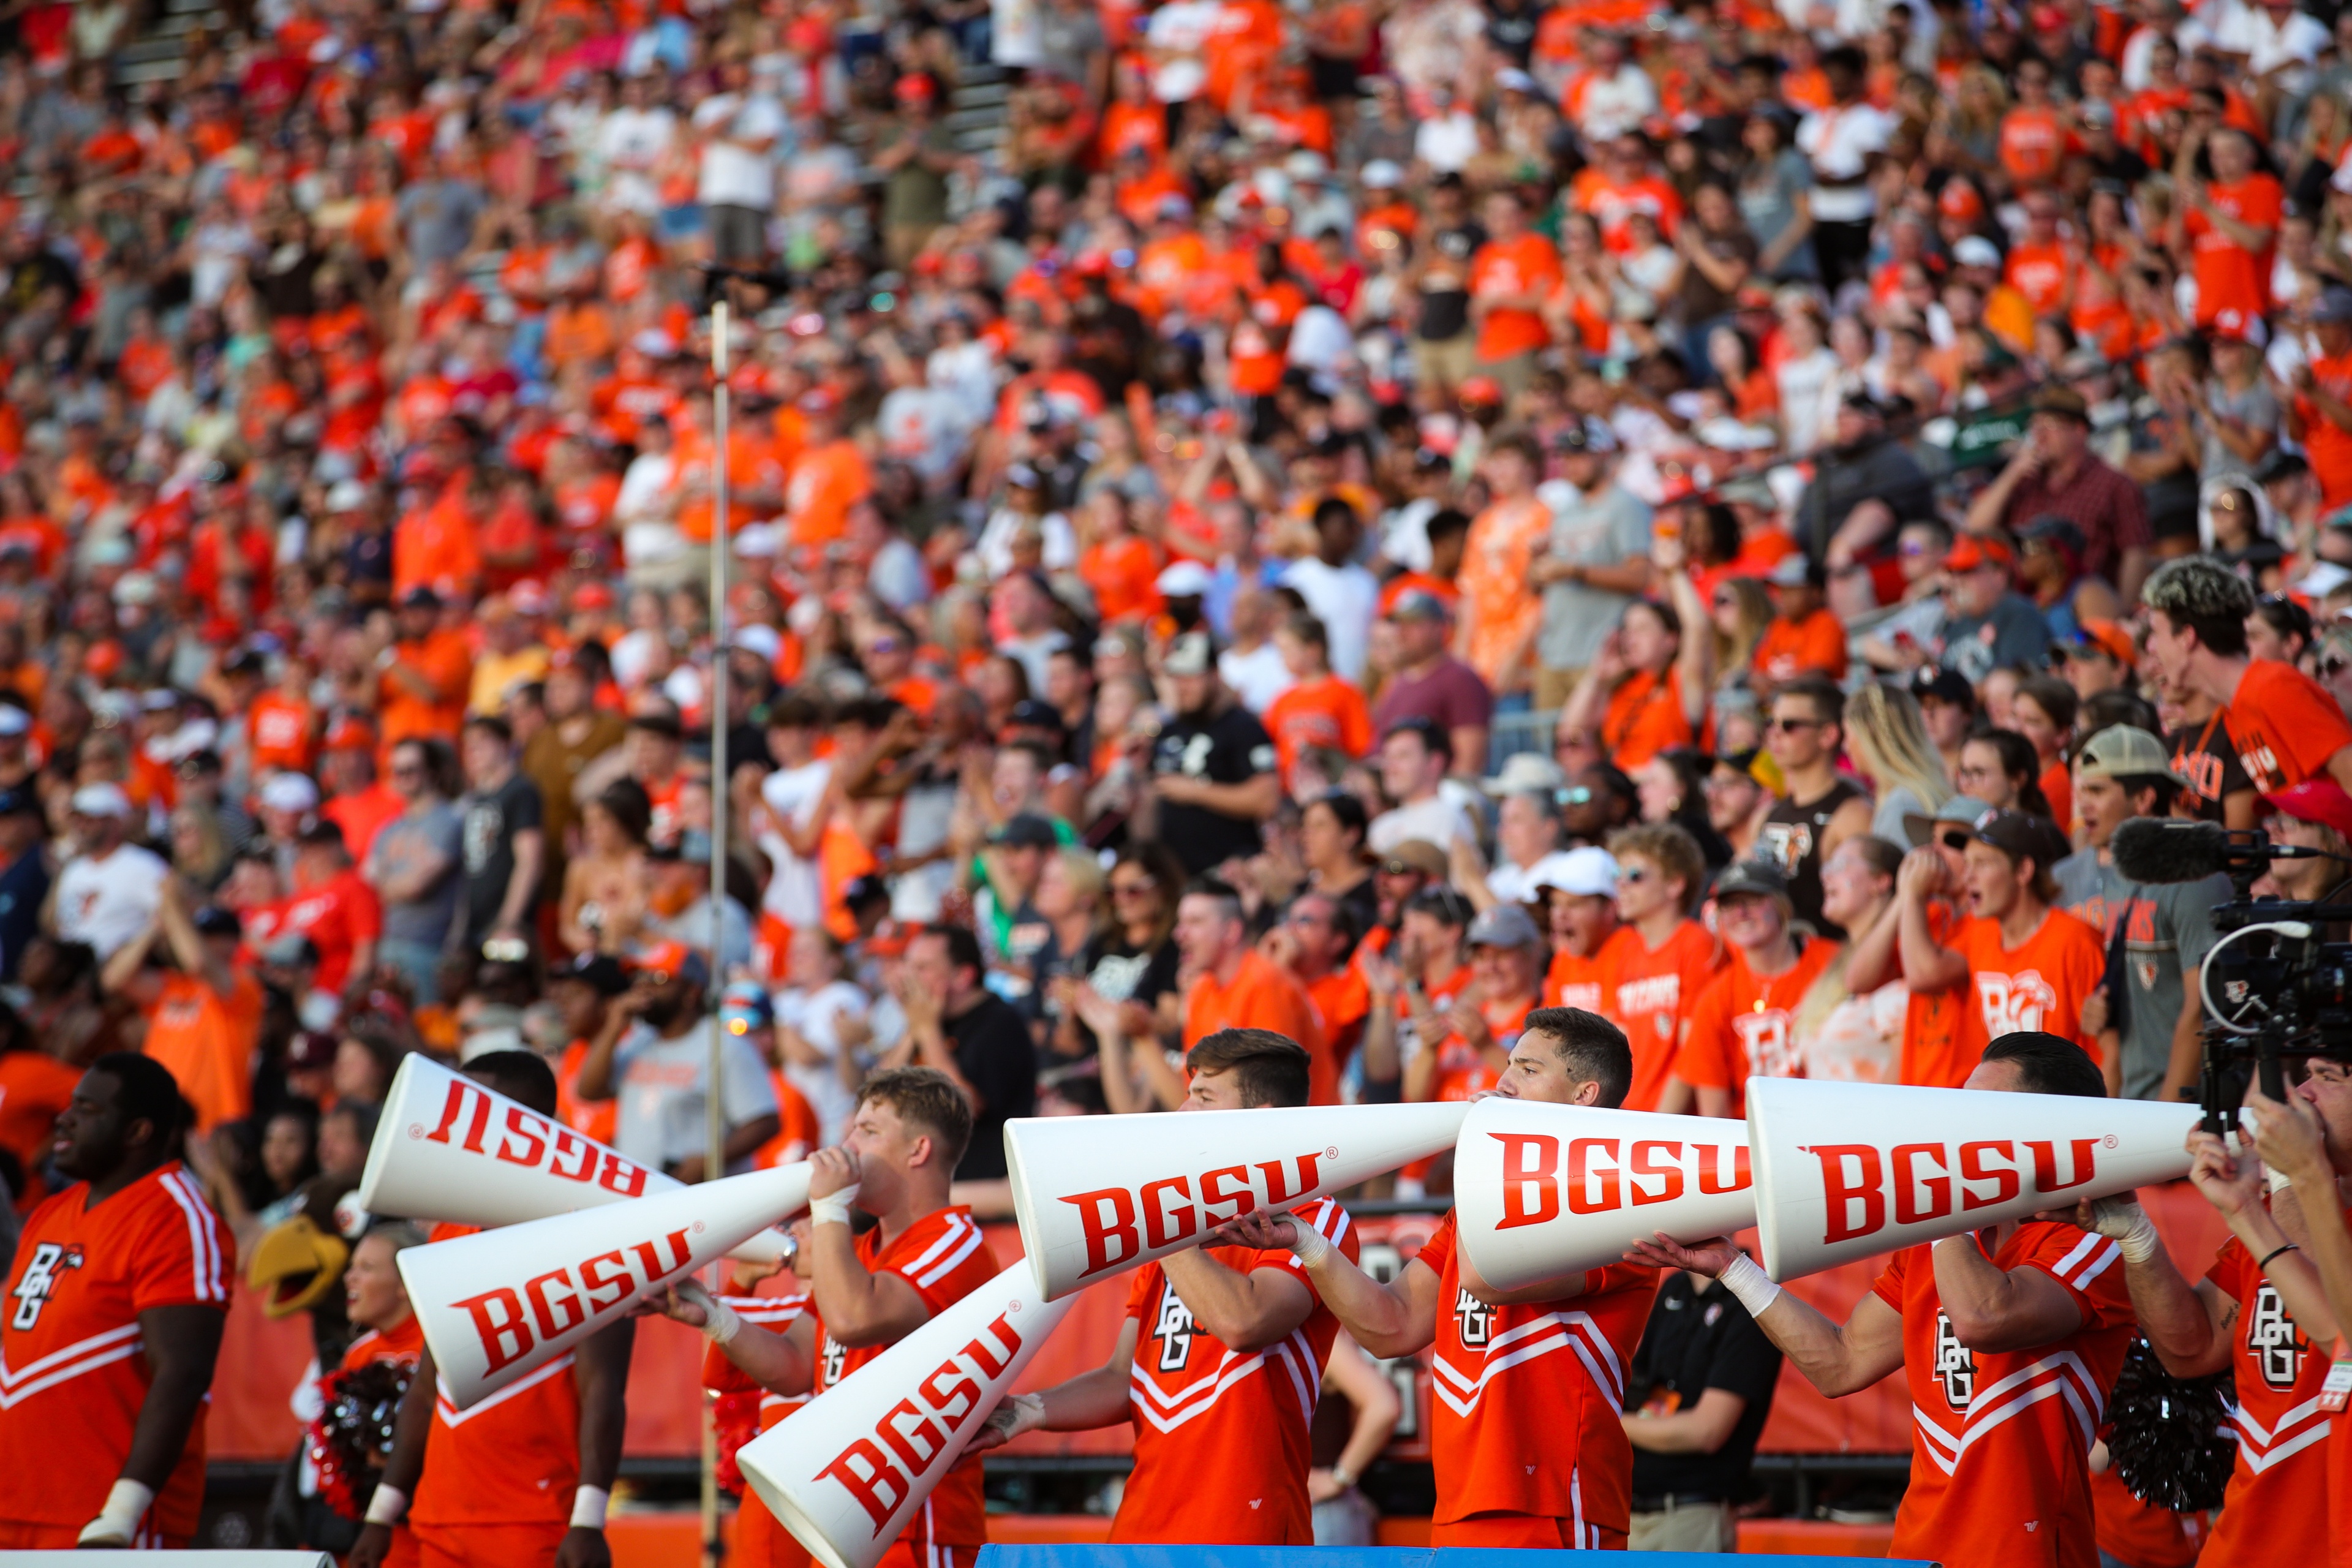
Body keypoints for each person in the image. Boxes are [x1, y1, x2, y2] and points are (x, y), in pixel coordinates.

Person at [1629, 1032, 2135, 1568]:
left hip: (2026, 1553)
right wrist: (1734, 1269)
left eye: (1984, 1110)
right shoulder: (1937, 1245)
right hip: (1919, 1550)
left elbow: (1984, 1317)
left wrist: (1946, 1200)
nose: (1962, 1126)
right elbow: (1840, 1364)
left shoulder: (2089, 1245)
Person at [1216, 1008, 1658, 1550]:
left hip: (1555, 1506)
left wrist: (1483, 1154)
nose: (1502, 1081)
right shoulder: (1471, 1213)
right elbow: (1390, 1327)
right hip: (1457, 1504)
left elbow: (1487, 1281)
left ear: (1584, 1096)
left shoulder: (1624, 1207)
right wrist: (1308, 1245)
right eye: (1509, 1063)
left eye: (1527, 1067)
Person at [972, 1030, 1362, 1544]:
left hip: (1247, 1532)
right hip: (1141, 1529)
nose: (1180, 1112)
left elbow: (1246, 1323)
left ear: (1261, 1117)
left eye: (1203, 1097)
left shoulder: (1315, 1217)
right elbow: (1124, 1378)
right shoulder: (1175, 1233)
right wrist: (1027, 1411)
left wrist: (1161, 1226)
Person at [647, 1068, 998, 1568]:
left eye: (869, 1132)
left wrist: (829, 1206)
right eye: (853, 1128)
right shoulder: (862, 1252)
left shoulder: (953, 1243)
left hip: (914, 1530)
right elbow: (794, 1366)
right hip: (846, 1525)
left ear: (919, 1151)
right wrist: (712, 1315)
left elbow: (855, 1318)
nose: (846, 1145)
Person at [2055, 1056, 2345, 1568]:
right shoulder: (2274, 1220)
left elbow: (2334, 1324)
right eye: (2305, 1075)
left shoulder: (2293, 1211)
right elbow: (2189, 1350)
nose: (2301, 1094)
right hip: (2240, 1546)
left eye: (2329, 1077)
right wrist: (2136, 1237)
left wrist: (2289, 1180)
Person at [352, 1052, 638, 1568]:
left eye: (474, 1109)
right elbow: (428, 1384)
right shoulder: (450, 1230)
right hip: (438, 1518)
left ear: (526, 1126)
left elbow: (604, 1388)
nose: (457, 1124)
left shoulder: (592, 1235)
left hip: (535, 1521)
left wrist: (589, 1521)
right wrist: (382, 1511)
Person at [0, 1054, 229, 1548]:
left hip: (100, 1518)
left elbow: (183, 1372)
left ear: (138, 1132)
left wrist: (122, 1511)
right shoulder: (49, 1213)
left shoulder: (175, 1215)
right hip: (16, 1503)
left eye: (87, 1109)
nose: (64, 1118)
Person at [2052, 726, 2228, 1101]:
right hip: (2137, 1101)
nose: (2084, 805)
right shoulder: (2124, 872)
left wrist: (2166, 1117)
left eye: (2097, 791)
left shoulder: (2195, 874)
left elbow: (2203, 1009)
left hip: (2190, 1110)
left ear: (2145, 798)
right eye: (2082, 791)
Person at [1899, 810, 2106, 1060]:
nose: (1968, 877)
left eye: (1982, 863)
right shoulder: (1978, 933)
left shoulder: (2075, 940)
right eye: (1968, 863)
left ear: (2023, 871)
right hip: (1997, 1094)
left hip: (2060, 1097)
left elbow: (2106, 1051)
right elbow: (1920, 973)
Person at [1619, 1243, 1784, 1553]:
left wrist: (1614, 1424)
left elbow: (1707, 1431)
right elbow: (1640, 1390)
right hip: (1633, 1510)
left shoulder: (1753, 1295)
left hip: (1691, 1515)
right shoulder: (1674, 1287)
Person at [2143, 556, 2352, 797]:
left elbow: (2347, 772)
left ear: (2187, 637)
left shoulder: (2273, 686)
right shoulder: (2236, 706)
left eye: (2156, 633)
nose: (2151, 647)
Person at [573, 942, 782, 1183]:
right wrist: (613, 1027)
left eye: (659, 979)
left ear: (691, 992)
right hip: (638, 1191)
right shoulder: (639, 1041)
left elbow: (765, 1121)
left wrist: (710, 1160)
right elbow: (588, 1091)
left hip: (696, 1196)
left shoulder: (725, 1046)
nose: (644, 987)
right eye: (639, 977)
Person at [1668, 860, 1838, 1117]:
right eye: (1729, 905)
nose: (1741, 912)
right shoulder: (1716, 997)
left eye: (1754, 900)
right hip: (1757, 1140)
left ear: (1781, 904)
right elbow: (1715, 1114)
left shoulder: (1833, 964)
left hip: (1830, 1122)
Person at [1964, 386, 2153, 606]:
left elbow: (2136, 554)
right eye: (2035, 426)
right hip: (2025, 604)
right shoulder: (2023, 481)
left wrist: (2123, 612)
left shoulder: (2116, 485)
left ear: (2079, 431)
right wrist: (2011, 473)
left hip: (2083, 603)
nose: (2039, 436)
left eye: (2050, 426)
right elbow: (1974, 531)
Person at [100, 883, 262, 1135]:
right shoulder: (173, 987)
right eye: (201, 936)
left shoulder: (243, 986)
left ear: (234, 943)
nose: (205, 943)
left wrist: (171, 904)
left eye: (214, 937)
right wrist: (156, 926)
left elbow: (197, 961)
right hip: (162, 1122)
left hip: (216, 1125)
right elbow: (114, 979)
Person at [888, 925, 1036, 1197]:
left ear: (962, 976)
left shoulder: (1000, 1023)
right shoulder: (929, 1019)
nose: (908, 977)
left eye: (922, 968)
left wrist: (928, 1032)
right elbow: (880, 1094)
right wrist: (914, 1029)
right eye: (907, 965)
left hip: (984, 1188)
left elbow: (965, 1104)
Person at [1597, 823, 1722, 1111]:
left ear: (1675, 884)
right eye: (1617, 875)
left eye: (1635, 876)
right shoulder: (1621, 948)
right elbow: (1611, 1045)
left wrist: (1659, 1124)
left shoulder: (1696, 943)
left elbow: (1693, 1052)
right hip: (1627, 1115)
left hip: (1672, 1122)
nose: (1621, 885)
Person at [1135, 632, 1281, 875]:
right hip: (1172, 874)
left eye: (1192, 677)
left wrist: (1195, 791)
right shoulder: (1168, 730)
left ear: (1215, 675)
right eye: (1177, 678)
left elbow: (1267, 800)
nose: (1183, 687)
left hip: (1227, 870)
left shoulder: (1243, 728)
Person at [1529, 421, 1653, 710]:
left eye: (1578, 455)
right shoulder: (1566, 511)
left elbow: (1641, 576)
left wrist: (1574, 571)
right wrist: (1536, 562)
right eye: (1564, 456)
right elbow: (1536, 585)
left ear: (1603, 454)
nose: (1569, 464)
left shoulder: (1625, 505)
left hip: (1600, 654)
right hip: (1555, 653)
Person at [1174, 881, 1329, 1102]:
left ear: (1231, 931)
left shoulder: (1266, 984)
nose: (1179, 934)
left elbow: (1270, 1096)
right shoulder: (1201, 990)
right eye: (1181, 923)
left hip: (1306, 1131)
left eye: (1195, 922)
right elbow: (1193, 1091)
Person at [1756, 676, 1874, 937]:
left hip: (1829, 960)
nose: (1774, 734)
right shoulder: (1766, 814)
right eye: (1770, 723)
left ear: (1828, 735)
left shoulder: (1853, 814)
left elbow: (1869, 913)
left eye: (1789, 726)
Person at [1793, 836, 1907, 1085]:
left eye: (1842, 865)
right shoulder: (1837, 962)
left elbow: (1902, 1071)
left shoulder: (1903, 955)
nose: (1826, 877)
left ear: (1881, 881)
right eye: (1827, 867)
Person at [364, 738, 465, 1001]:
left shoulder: (448, 821)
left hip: (430, 949)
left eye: (411, 770)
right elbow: (369, 886)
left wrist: (389, 883)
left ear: (431, 772)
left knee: (425, 1029)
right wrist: (396, 885)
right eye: (397, 771)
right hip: (388, 947)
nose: (403, 778)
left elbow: (417, 886)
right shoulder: (387, 830)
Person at [1370, 590, 1494, 775]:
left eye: (1413, 624)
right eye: (1399, 624)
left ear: (1439, 628)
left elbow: (1469, 759)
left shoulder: (1459, 679)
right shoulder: (1398, 682)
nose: (1402, 633)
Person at [454, 714, 546, 950]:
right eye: (468, 744)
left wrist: (509, 921)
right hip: (475, 922)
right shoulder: (477, 798)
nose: (473, 750)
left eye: (482, 740)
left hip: (505, 923)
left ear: (505, 744)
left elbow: (530, 861)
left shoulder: (520, 791)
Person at [50, 782, 167, 959]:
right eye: (78, 819)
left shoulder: (143, 865)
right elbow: (61, 925)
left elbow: (166, 918)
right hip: (72, 970)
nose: (82, 826)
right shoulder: (73, 870)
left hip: (118, 969)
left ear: (114, 821)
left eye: (90, 819)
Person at [1845, 684, 1951, 848]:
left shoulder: (1900, 806)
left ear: (1870, 734)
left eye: (1848, 734)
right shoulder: (1914, 794)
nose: (1846, 746)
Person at [1369, 718, 1477, 853]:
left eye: (1402, 756)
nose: (1389, 767)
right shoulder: (1381, 825)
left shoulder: (1449, 819)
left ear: (1435, 763)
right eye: (1387, 757)